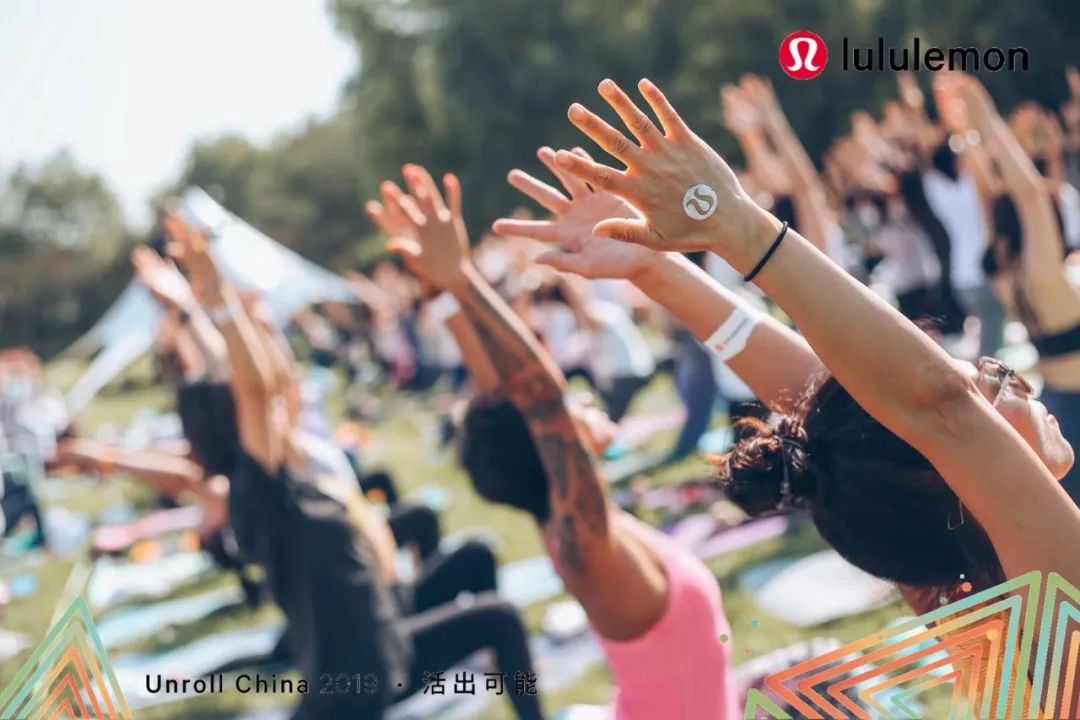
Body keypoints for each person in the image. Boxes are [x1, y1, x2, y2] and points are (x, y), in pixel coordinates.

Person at [545, 75, 1080, 701]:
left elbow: (836, 413)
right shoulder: (1060, 610)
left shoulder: (956, 587)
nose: (1010, 380)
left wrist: (657, 274)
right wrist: (740, 228)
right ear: (961, 475)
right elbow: (937, 407)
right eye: (990, 385)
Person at [373, 163, 737, 720]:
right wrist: (464, 276)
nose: (579, 402)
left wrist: (441, 289)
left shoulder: (572, 527)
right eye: (568, 408)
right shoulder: (587, 547)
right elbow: (537, 394)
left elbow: (505, 392)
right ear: (548, 445)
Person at [161, 215, 544, 720]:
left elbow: (271, 384)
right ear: (239, 426)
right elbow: (254, 391)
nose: (279, 407)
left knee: (498, 615)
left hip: (387, 649)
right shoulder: (259, 490)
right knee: (500, 619)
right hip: (358, 684)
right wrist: (216, 302)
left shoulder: (282, 475)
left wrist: (205, 311)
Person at [933, 75, 1080, 506]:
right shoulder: (1044, 273)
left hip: (1060, 410)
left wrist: (967, 132)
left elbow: (992, 196)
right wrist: (984, 114)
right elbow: (1030, 194)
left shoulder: (1008, 275)